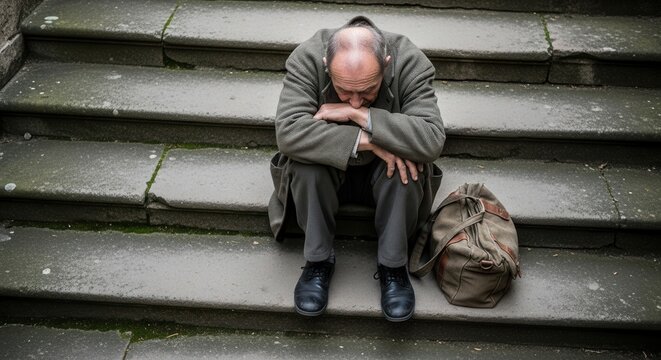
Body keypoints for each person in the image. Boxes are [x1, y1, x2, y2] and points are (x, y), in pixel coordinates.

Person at [268, 16, 445, 322]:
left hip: (387, 175)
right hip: (327, 171)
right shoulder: (307, 57)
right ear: (326, 64)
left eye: (367, 91)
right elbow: (288, 133)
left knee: (408, 165)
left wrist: (358, 114)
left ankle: (393, 266)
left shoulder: (410, 60)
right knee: (307, 166)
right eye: (343, 91)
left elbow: (431, 138)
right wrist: (368, 141)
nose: (355, 99)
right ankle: (318, 261)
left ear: (386, 64)